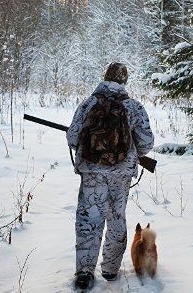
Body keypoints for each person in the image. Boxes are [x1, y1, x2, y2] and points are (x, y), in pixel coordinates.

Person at [66, 62, 154, 290]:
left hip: (92, 174)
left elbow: (73, 137)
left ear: (104, 77)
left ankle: (85, 273)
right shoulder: (133, 107)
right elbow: (146, 142)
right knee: (116, 218)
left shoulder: (88, 104)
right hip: (121, 175)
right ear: (124, 81)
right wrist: (130, 153)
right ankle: (111, 269)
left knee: (88, 220)